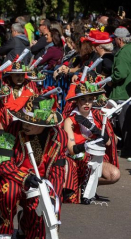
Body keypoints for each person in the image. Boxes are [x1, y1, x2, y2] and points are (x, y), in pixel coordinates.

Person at [0, 90, 68, 239]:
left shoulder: (59, 136)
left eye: (30, 122)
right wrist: (25, 178)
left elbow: (58, 171)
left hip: (42, 183)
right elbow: (3, 163)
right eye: (24, 120)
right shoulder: (12, 128)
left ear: (43, 123)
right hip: (14, 178)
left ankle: (25, 223)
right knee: (8, 190)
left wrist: (52, 194)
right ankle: (5, 231)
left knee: (41, 218)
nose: (25, 125)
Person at [63, 80, 120, 204]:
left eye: (90, 99)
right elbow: (72, 150)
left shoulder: (98, 116)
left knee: (114, 174)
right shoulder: (70, 120)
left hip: (94, 158)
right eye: (83, 99)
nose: (87, 103)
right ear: (77, 101)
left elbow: (110, 143)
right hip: (75, 160)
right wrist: (87, 145)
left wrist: (92, 127)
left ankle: (87, 184)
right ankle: (77, 186)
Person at [110, 27, 131, 161]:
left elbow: (121, 73)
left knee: (125, 124)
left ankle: (126, 151)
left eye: (115, 38)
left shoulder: (123, 52)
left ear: (120, 40)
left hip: (122, 92)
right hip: (126, 92)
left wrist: (112, 79)